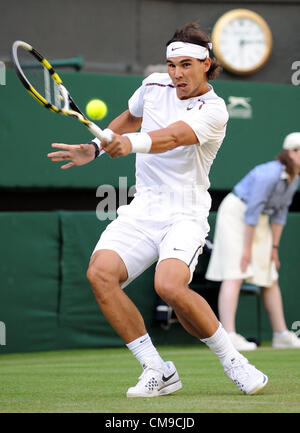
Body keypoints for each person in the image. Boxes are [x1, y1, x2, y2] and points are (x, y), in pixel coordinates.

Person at [47, 23, 268, 397]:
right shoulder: (152, 85)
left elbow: (172, 137)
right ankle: (157, 369)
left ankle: (235, 361)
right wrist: (95, 148)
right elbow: (132, 117)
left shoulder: (214, 111)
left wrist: (128, 145)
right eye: (171, 65)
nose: (177, 73)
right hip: (143, 208)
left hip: (185, 213)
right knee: (100, 274)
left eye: (185, 65)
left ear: (206, 64)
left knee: (169, 285)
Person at [206, 132, 300, 351]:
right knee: (235, 273)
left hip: (258, 220)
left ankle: (281, 335)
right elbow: (251, 213)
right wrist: (246, 250)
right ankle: (228, 335)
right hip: (236, 213)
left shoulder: (293, 180)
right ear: (293, 153)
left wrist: (274, 248)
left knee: (269, 275)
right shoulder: (268, 175)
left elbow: (279, 216)